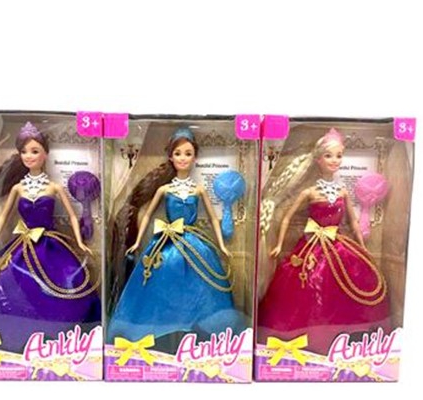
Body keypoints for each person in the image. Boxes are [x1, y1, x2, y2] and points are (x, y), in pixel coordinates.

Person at [106, 127, 246, 350]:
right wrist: (137, 242)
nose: (183, 158)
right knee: (159, 281)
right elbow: (148, 214)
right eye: (178, 153)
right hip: (166, 242)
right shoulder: (164, 189)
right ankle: (159, 331)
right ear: (170, 157)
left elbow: (212, 218)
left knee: (202, 288)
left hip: (193, 242)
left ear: (195, 157)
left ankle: (200, 334)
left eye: (188, 153)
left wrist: (221, 245)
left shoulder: (199, 190)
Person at [0, 122, 101, 353]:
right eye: (24, 151)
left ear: (45, 154)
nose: (29, 156)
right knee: (6, 282)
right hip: (23, 244)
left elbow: (72, 215)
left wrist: (79, 242)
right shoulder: (18, 188)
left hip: (49, 245)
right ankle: (12, 338)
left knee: (65, 285)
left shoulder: (54, 187)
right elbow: (3, 216)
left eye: (35, 151)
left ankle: (59, 339)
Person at [258, 128, 390, 355]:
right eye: (329, 156)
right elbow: (287, 217)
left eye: (339, 155)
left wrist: (362, 247)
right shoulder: (310, 192)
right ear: (318, 159)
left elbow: (354, 222)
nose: (334, 160)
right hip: (311, 245)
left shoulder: (342, 192)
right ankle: (306, 336)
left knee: (344, 287)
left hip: (336, 244)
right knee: (304, 287)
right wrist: (279, 244)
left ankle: (342, 337)